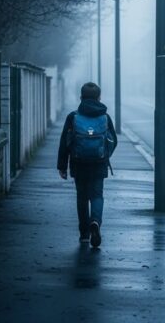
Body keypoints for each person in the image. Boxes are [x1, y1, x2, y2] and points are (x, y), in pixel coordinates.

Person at [57, 82, 117, 248]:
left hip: (78, 162)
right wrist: (105, 154)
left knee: (82, 197)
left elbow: (64, 142)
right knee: (97, 195)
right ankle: (95, 222)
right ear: (99, 97)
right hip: (99, 163)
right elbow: (113, 140)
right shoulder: (105, 117)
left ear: (81, 97)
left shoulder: (73, 116)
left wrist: (62, 166)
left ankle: (84, 234)